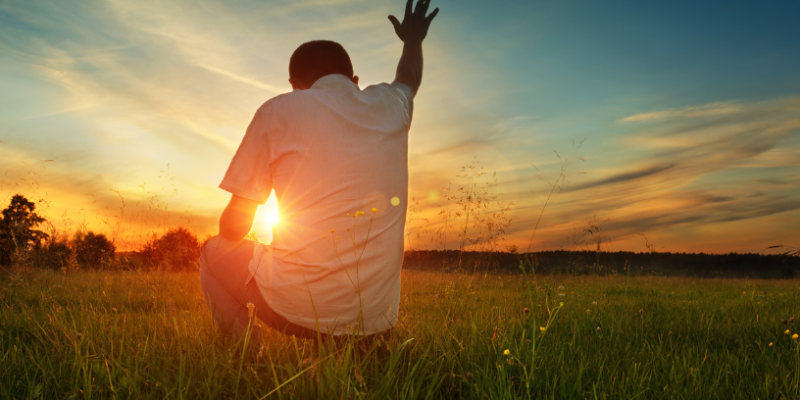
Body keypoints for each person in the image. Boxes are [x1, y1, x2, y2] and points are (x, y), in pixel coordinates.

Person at [199, 0, 439, 344]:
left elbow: (234, 228)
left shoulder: (276, 111)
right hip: (377, 318)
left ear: (294, 85)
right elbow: (409, 78)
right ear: (354, 80)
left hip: (293, 312)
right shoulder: (391, 104)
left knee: (213, 251)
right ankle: (359, 346)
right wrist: (413, 40)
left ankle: (246, 359)